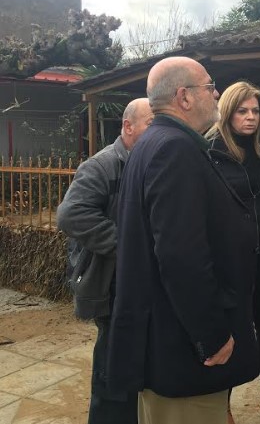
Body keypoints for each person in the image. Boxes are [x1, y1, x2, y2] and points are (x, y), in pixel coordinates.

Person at [107, 57, 260, 424]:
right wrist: (211, 335)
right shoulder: (174, 149)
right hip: (183, 352)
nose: (217, 94)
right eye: (210, 86)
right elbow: (181, 256)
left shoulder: (153, 143)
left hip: (167, 343)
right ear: (184, 97)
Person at [57, 97, 153, 424]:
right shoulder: (102, 165)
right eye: (151, 125)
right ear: (128, 126)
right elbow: (71, 215)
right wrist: (129, 246)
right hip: (111, 285)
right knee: (112, 375)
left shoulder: (148, 163)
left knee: (135, 370)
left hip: (137, 284)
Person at [206, 82, 260, 424]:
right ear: (227, 113)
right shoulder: (210, 151)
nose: (251, 117)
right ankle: (222, 403)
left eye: (256, 110)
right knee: (230, 327)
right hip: (228, 258)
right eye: (242, 111)